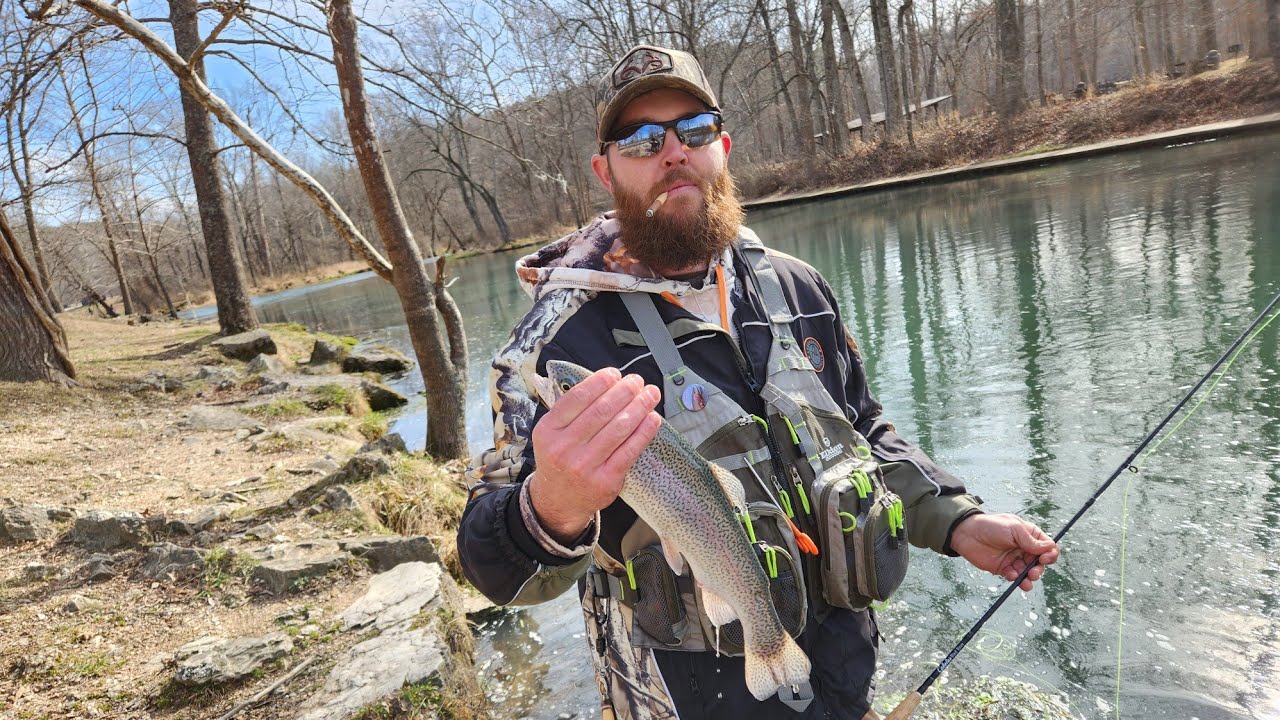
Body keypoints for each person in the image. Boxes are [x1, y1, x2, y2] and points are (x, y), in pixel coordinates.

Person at [460, 45, 1059, 720]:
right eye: (641, 139)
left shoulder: (797, 285)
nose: (673, 153)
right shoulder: (549, 348)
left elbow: (863, 433)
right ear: (606, 170)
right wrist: (550, 508)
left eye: (694, 130)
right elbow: (496, 570)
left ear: (723, 146)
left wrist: (957, 522)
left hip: (840, 679)